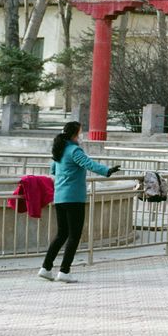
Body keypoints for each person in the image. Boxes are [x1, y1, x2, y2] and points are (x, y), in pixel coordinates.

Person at [40, 121, 121, 283]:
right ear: (74, 134)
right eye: (80, 133)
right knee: (74, 235)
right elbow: (88, 164)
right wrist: (107, 171)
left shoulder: (59, 150)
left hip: (60, 197)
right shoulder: (74, 150)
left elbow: (53, 171)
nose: (81, 136)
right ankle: (64, 271)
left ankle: (46, 268)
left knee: (62, 234)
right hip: (74, 198)